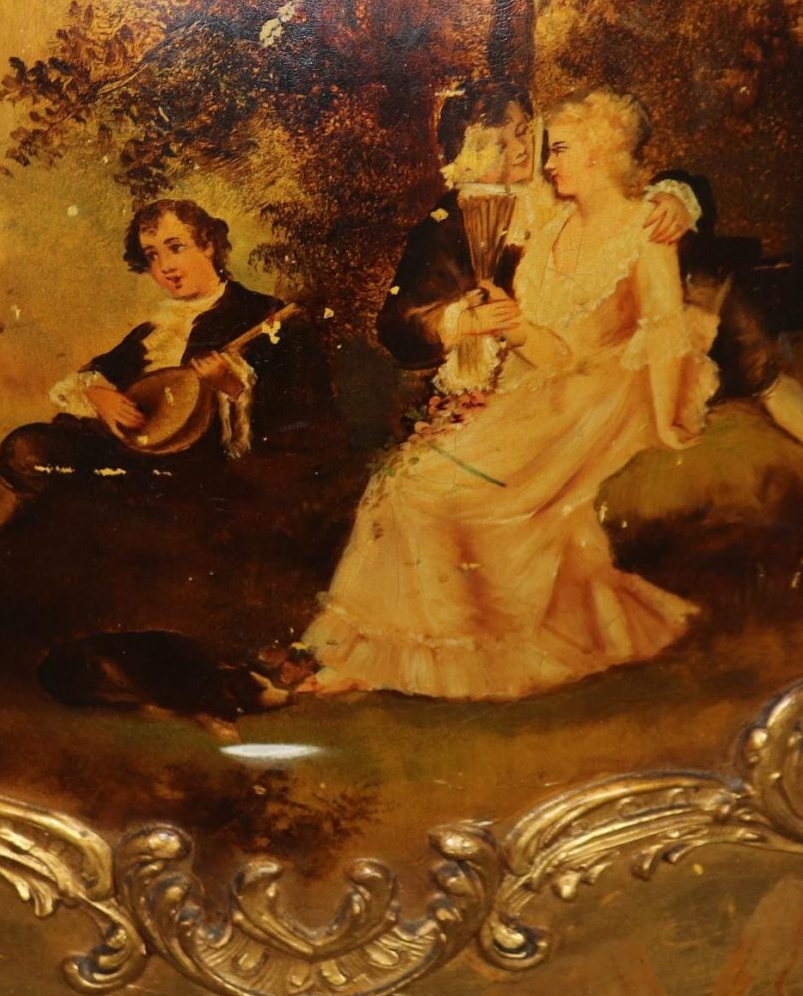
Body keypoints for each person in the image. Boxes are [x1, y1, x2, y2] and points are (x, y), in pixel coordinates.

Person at [301, 90, 712, 700]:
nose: (530, 153)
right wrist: (467, 323)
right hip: (531, 382)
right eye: (504, 139)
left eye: (531, 136)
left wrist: (680, 194)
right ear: (466, 151)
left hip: (594, 393)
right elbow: (404, 324)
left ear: (592, 151)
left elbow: (654, 319)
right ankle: (385, 653)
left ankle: (463, 652)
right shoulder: (461, 221)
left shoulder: (610, 214)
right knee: (402, 484)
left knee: (447, 492)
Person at [0, 199, 329, 558]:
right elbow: (99, 371)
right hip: (133, 445)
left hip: (194, 464)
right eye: (152, 256)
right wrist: (99, 394)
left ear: (209, 245)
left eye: (175, 247)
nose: (165, 267)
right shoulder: (156, 327)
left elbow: (295, 416)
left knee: (38, 457)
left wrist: (231, 387)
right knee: (26, 445)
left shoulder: (262, 317)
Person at [378, 84, 699, 399]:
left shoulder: (555, 188)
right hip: (487, 383)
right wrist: (460, 322)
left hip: (571, 365)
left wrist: (672, 195)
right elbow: (397, 324)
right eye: (499, 146)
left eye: (522, 133)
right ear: (466, 155)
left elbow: (620, 202)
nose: (521, 150)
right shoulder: (449, 220)